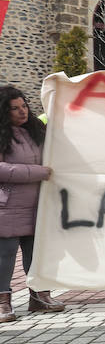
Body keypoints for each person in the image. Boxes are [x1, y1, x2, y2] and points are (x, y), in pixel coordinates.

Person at [0, 86, 65, 321]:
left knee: (36, 254)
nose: (22, 112)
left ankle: (39, 296)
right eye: (14, 109)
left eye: (24, 106)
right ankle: (3, 302)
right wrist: (38, 172)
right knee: (5, 255)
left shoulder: (36, 130)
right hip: (6, 206)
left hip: (38, 204)